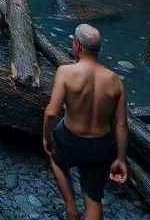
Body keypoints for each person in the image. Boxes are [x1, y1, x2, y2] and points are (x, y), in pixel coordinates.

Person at [42, 23, 129, 220]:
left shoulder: (65, 72)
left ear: (78, 46)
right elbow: (122, 125)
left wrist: (47, 137)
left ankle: (71, 210)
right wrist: (120, 159)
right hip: (101, 145)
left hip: (70, 139)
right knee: (93, 199)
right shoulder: (116, 80)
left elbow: (51, 113)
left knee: (56, 160)